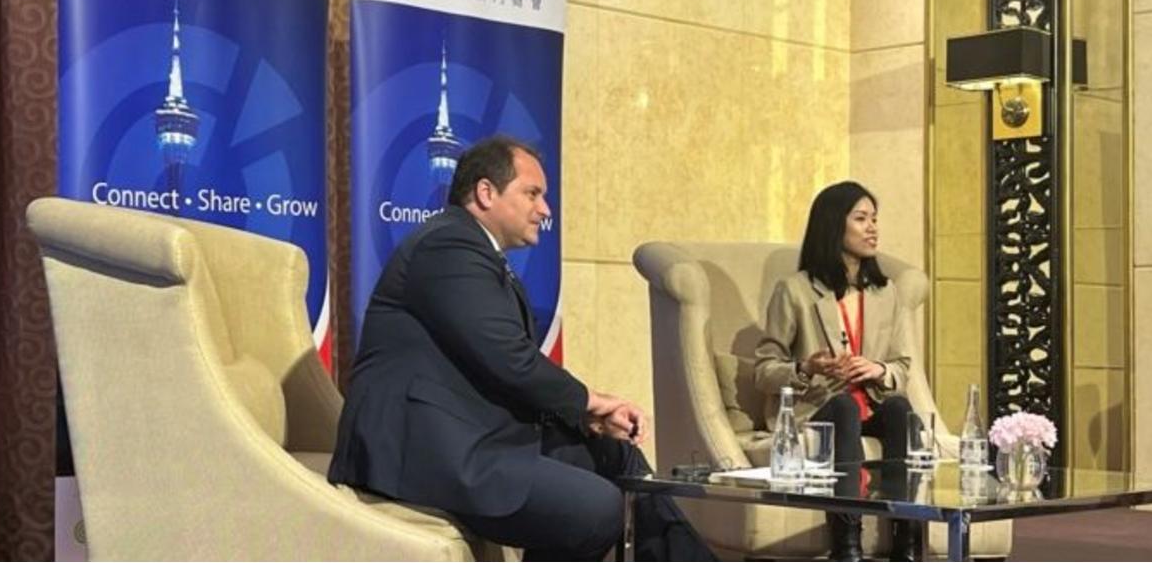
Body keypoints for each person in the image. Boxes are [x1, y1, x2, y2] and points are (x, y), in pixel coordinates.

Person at [329, 135, 714, 561]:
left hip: (474, 434)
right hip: (428, 451)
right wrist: (591, 401)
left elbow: (499, 366)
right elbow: (507, 356)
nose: (545, 210)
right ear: (486, 192)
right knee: (595, 509)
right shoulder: (448, 245)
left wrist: (585, 417)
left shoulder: (475, 251)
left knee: (619, 457)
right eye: (532, 194)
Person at [751, 181, 920, 561]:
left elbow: (902, 366)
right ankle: (847, 545)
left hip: (870, 404)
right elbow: (764, 370)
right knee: (843, 406)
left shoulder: (885, 292)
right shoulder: (794, 291)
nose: (872, 228)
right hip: (819, 407)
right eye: (861, 219)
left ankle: (908, 543)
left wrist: (877, 369)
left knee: (900, 408)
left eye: (874, 219)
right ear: (833, 225)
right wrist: (805, 367)